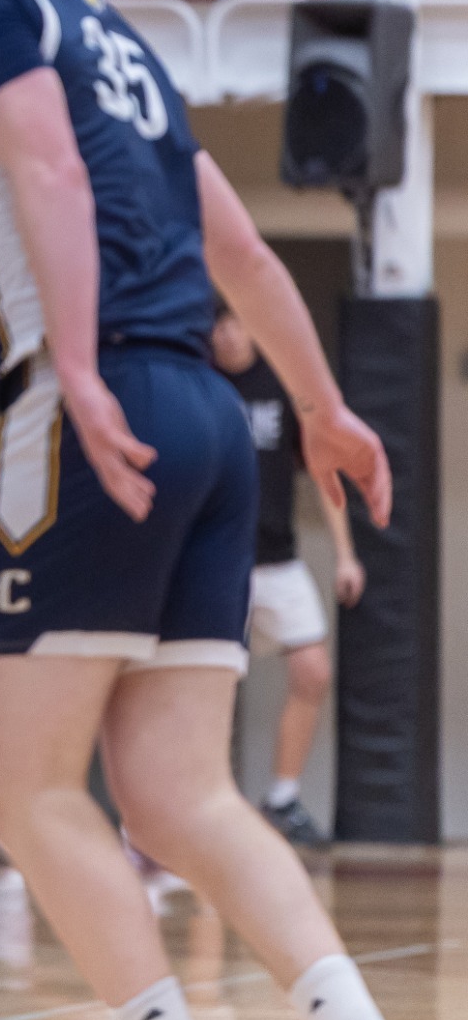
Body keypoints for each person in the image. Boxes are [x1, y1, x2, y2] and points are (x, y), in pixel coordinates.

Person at [0, 0, 433, 1020]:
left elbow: (49, 171)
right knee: (179, 795)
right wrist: (322, 406)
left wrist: (76, 365)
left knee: (21, 788)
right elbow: (240, 250)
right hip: (208, 413)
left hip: (92, 397)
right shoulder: (116, 35)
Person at [208, 306, 366, 845]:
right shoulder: (202, 385)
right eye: (218, 326)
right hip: (215, 562)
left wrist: (346, 555)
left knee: (312, 671)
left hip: (277, 558)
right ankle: (207, 799)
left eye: (235, 322)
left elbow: (324, 472)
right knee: (208, 682)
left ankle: (282, 797)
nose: (228, 335)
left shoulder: (280, 385)